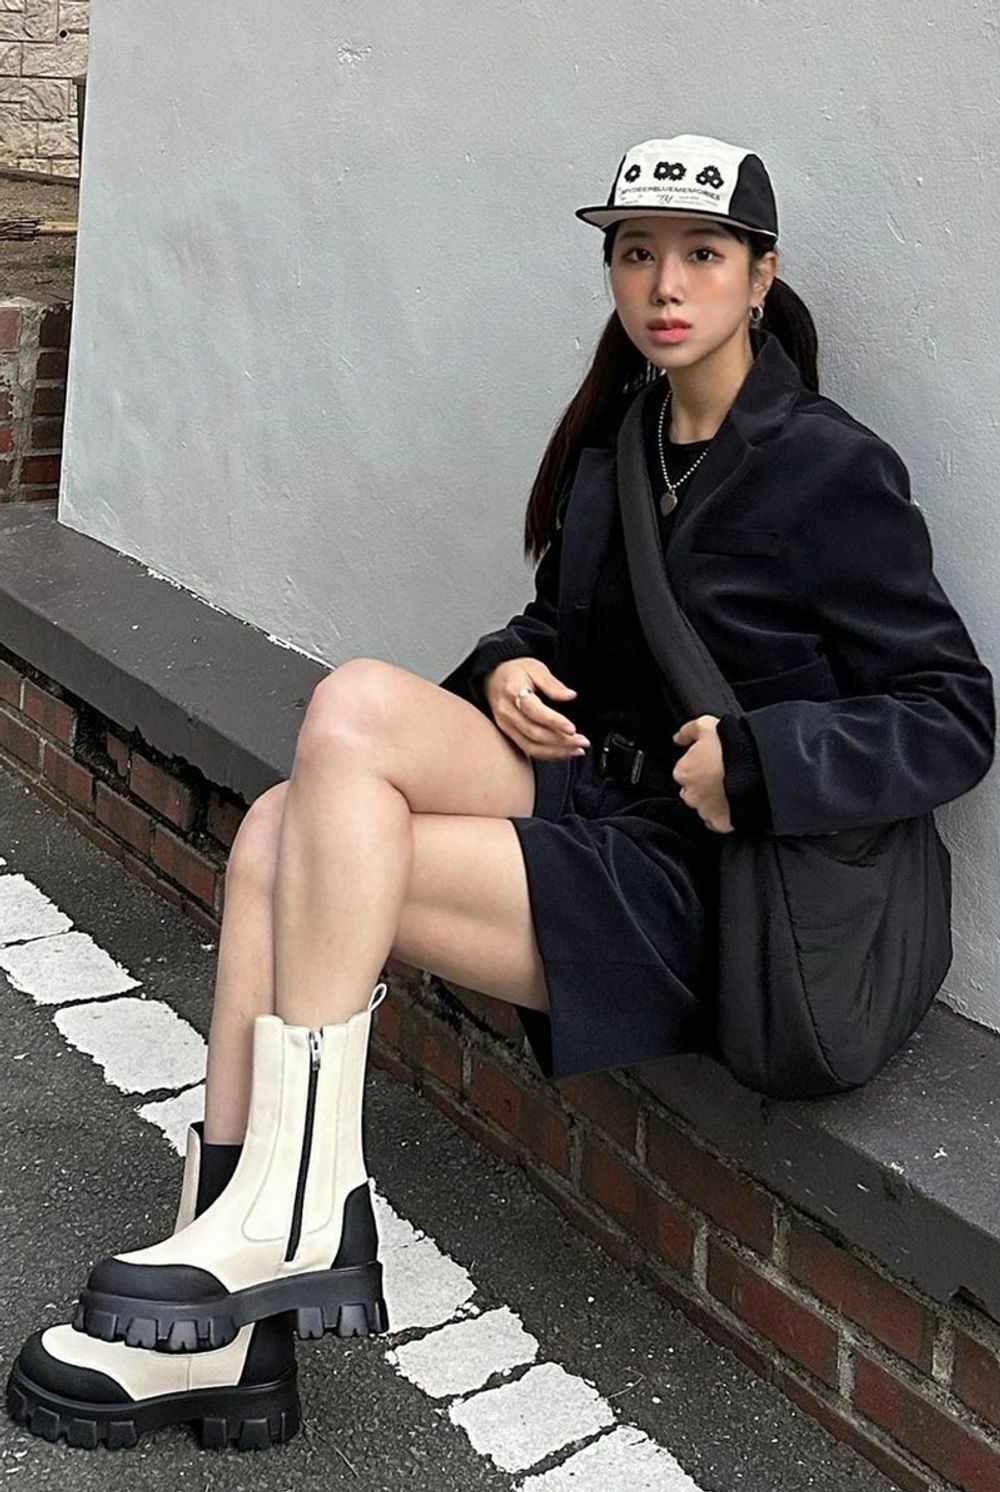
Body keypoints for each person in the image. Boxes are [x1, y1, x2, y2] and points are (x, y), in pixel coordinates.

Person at [7, 133, 995, 1452]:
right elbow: (567, 634)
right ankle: (263, 1250)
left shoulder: (829, 469)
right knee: (318, 766)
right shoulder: (619, 446)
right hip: (598, 803)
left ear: (761, 277)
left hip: (723, 884)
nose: (665, 285)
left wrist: (763, 764)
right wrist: (512, 670)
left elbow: (953, 713)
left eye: (703, 254)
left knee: (295, 839)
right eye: (636, 253)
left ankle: (262, 1258)